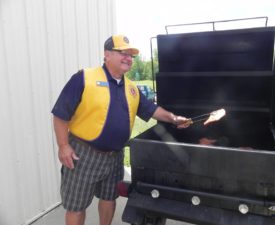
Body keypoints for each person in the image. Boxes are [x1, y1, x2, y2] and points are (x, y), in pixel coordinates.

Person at [51, 34, 190, 225]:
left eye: (131, 55)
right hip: (83, 154)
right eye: (122, 53)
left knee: (109, 198)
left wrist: (173, 118)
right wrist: (63, 145)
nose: (128, 58)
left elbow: (152, 109)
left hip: (115, 156)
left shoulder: (132, 89)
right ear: (107, 54)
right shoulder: (84, 78)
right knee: (76, 205)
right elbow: (60, 114)